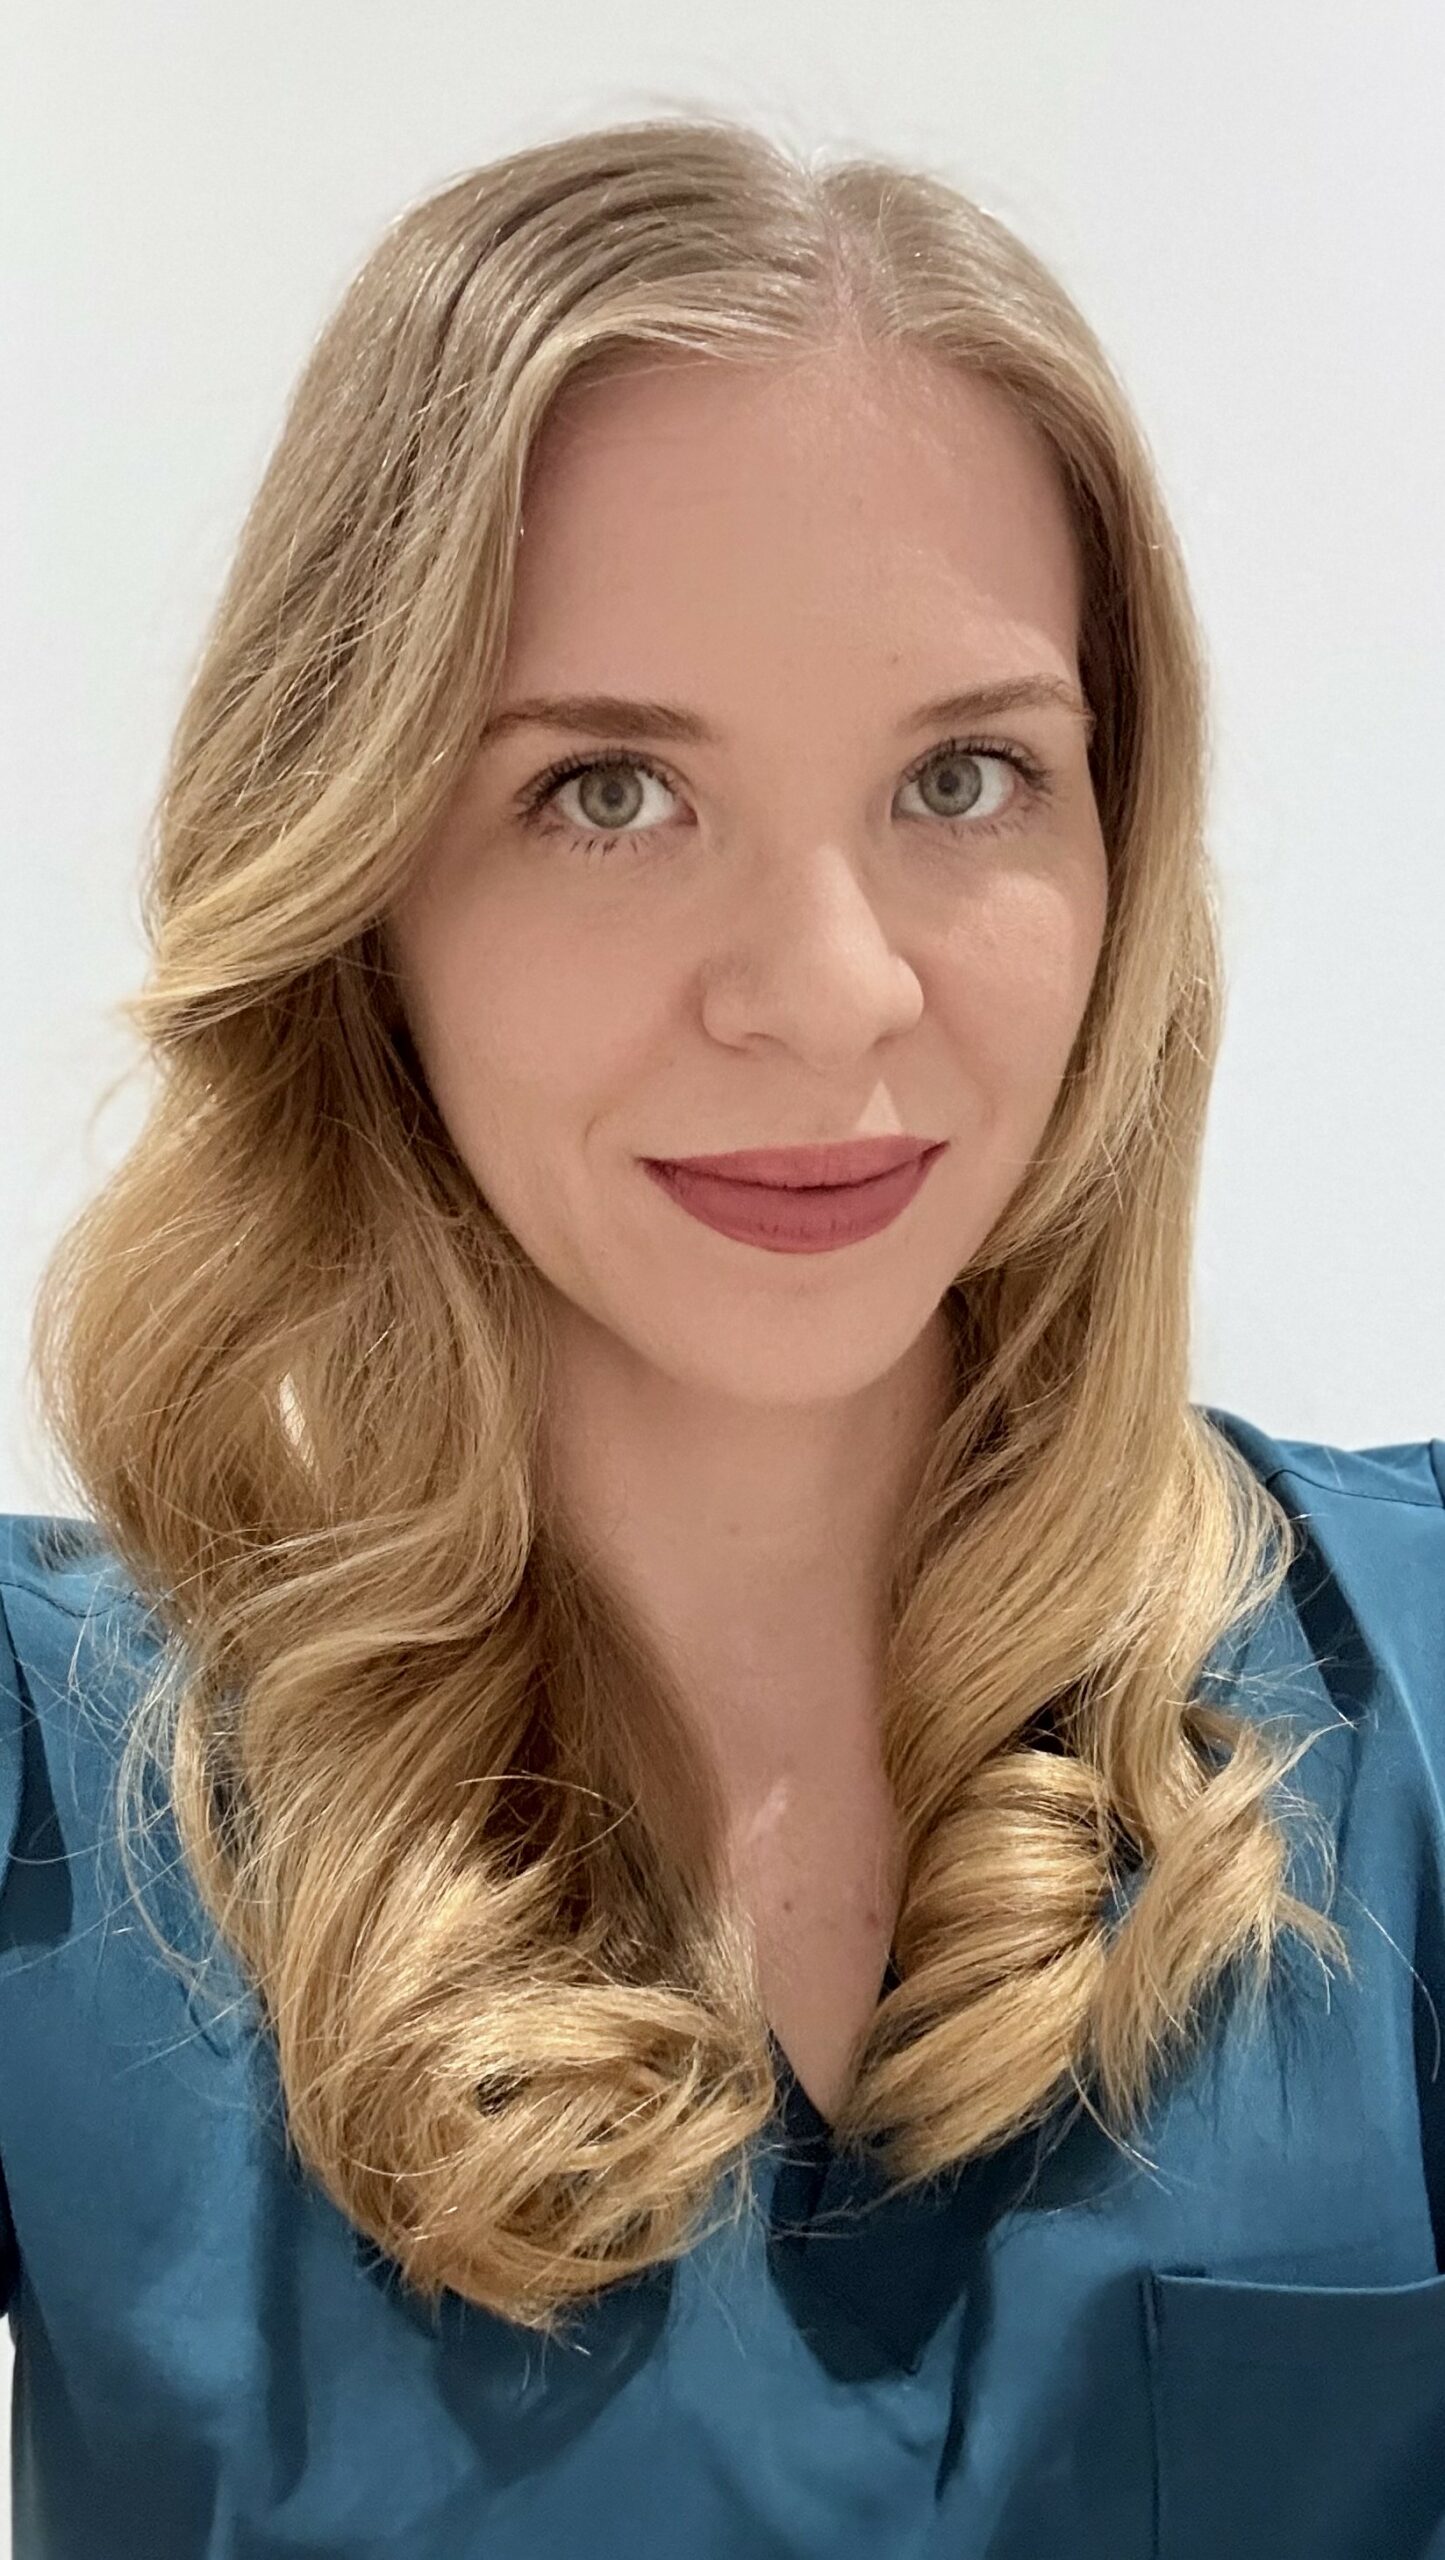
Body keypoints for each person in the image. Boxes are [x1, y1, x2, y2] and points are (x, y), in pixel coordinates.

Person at [4, 112, 1443, 2560]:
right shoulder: (66, 1795)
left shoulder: (1403, 1679)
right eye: (608, 792)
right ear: (357, 879)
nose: (830, 989)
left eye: (965, 776)